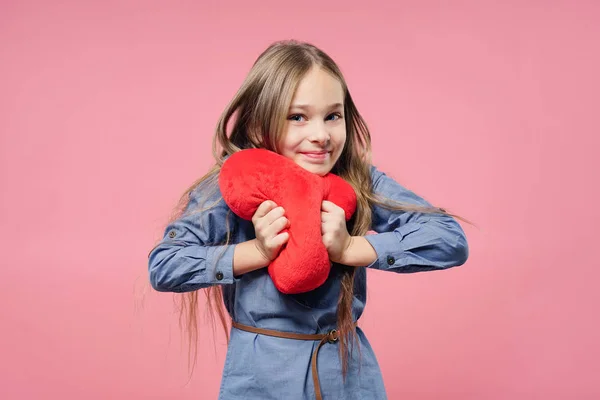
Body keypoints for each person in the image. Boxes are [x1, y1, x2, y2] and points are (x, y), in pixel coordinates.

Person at [148, 39, 469, 400]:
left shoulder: (359, 180)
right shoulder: (231, 185)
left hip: (349, 379)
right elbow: (164, 265)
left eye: (333, 116)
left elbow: (449, 239)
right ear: (257, 126)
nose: (320, 136)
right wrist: (255, 251)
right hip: (261, 381)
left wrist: (352, 247)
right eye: (297, 117)